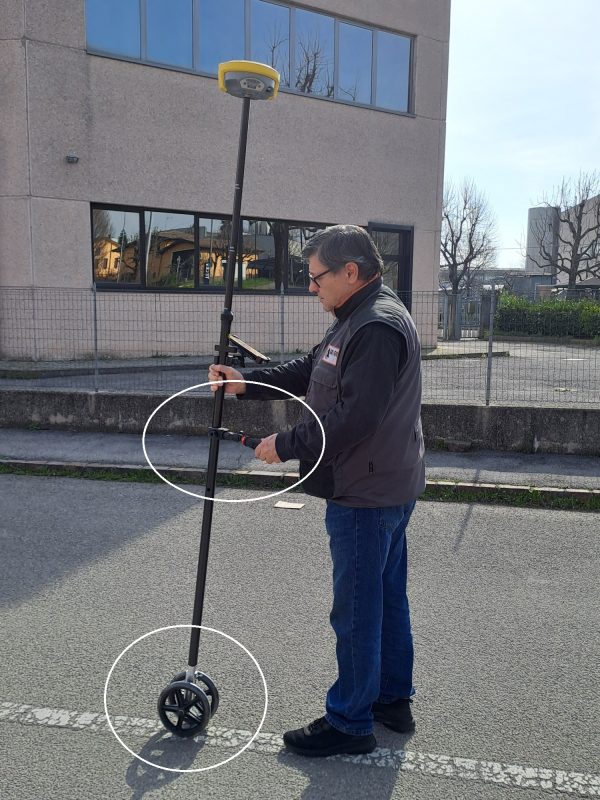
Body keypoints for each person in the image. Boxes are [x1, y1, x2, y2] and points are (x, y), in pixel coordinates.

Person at [208, 224, 425, 758]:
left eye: (317, 277)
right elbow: (311, 369)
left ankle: (350, 722)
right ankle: (390, 699)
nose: (311, 287)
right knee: (384, 598)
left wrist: (285, 444)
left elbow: (355, 418)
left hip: (366, 492)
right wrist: (246, 383)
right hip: (384, 483)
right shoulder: (357, 316)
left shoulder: (375, 326)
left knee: (357, 610)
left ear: (351, 272)